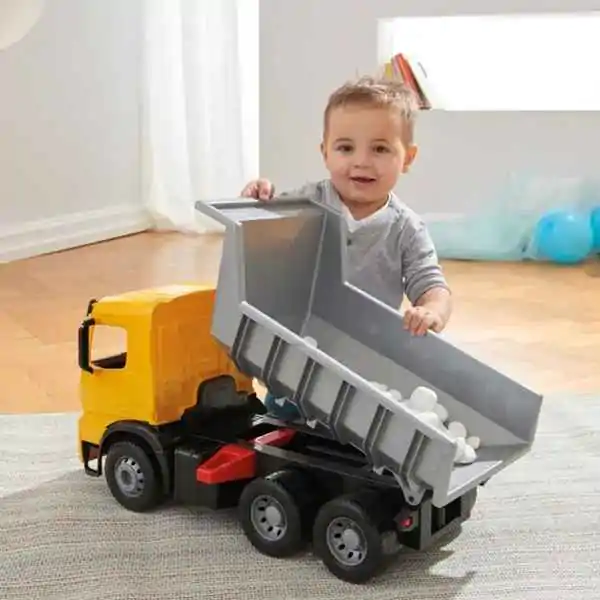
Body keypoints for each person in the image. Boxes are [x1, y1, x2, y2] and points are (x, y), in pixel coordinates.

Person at [241, 75, 452, 421]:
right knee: (287, 414)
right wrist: (257, 198)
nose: (361, 161)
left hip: (366, 356)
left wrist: (432, 311)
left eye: (380, 149)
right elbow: (263, 232)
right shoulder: (308, 202)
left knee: (359, 418)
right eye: (345, 148)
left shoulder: (407, 228)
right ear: (325, 152)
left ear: (408, 158)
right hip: (301, 348)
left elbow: (432, 285)